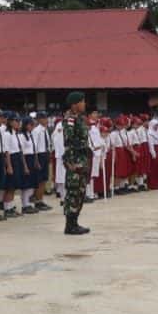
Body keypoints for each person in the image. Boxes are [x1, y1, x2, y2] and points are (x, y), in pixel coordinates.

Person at [62, 91, 91, 235]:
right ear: (75, 104)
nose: (84, 104)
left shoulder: (79, 118)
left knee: (80, 192)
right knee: (73, 192)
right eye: (82, 101)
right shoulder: (70, 120)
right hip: (75, 162)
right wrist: (70, 162)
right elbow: (69, 142)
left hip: (82, 160)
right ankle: (70, 225)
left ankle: (75, 222)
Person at [32, 111, 52, 209]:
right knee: (39, 180)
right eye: (43, 118)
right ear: (39, 120)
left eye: (46, 118)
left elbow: (47, 145)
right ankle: (37, 201)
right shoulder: (36, 131)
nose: (46, 120)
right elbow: (34, 147)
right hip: (39, 155)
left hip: (45, 154)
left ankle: (41, 200)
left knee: (44, 179)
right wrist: (36, 160)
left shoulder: (45, 130)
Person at [52, 114, 66, 200]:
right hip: (62, 154)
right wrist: (62, 153)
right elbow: (57, 140)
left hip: (68, 154)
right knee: (61, 175)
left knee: (65, 175)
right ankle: (62, 195)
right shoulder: (60, 125)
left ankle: (63, 194)